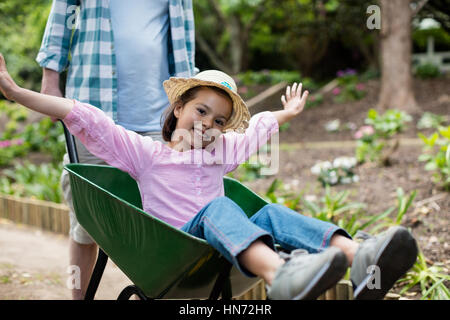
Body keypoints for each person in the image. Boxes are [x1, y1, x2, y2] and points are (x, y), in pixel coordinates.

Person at [0, 56, 418, 300]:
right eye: (201, 111)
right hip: (174, 252)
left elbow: (256, 129)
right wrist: (17, 93)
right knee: (220, 206)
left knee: (268, 212)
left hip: (219, 251)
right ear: (180, 107)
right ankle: (280, 276)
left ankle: (355, 253)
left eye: (219, 120)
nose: (209, 124)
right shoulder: (146, 155)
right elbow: (85, 117)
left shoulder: (221, 154)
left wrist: (286, 114)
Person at [36, 0, 195, 299]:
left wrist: (189, 109)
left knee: (166, 225)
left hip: (157, 121)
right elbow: (63, 13)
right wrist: (50, 78)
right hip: (93, 115)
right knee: (85, 226)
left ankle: (148, 296)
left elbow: (183, 43)